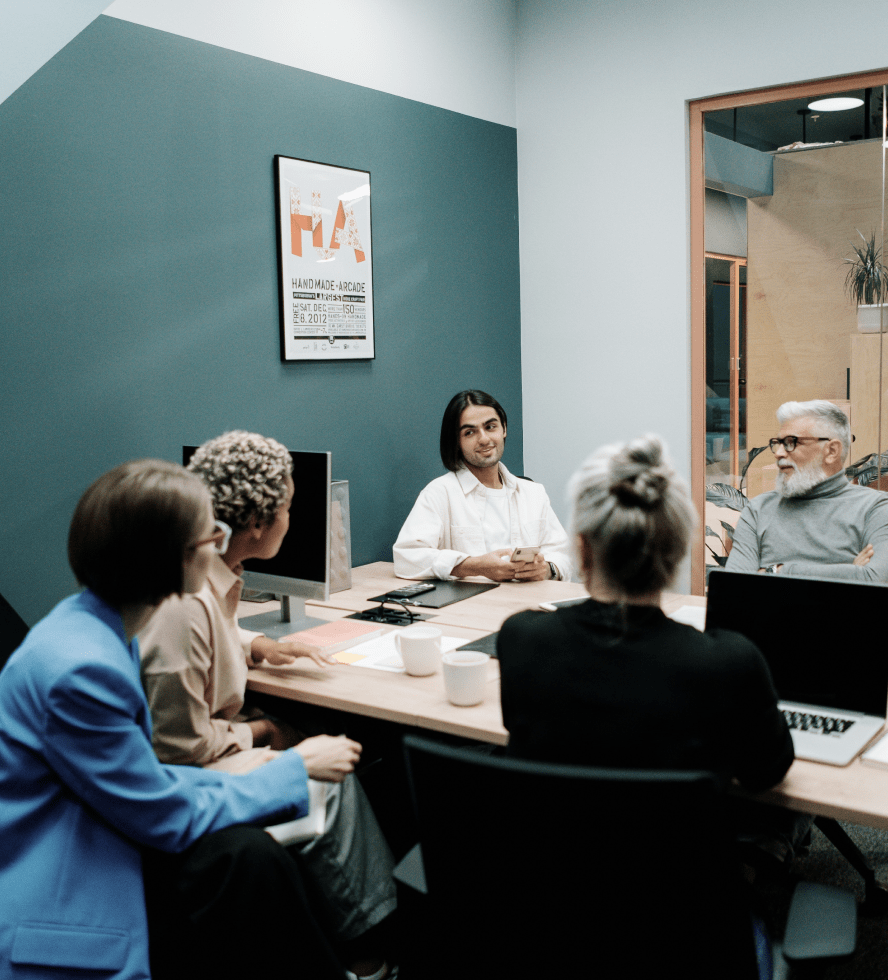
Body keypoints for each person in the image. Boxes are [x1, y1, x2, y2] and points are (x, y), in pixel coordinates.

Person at [0, 460, 357, 980]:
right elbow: (163, 814)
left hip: (99, 826)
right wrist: (293, 767)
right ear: (171, 558)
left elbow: (143, 779)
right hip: (67, 883)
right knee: (250, 861)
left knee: (249, 861)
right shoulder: (82, 672)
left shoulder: (93, 627)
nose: (220, 546)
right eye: (212, 536)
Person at [139, 432, 396, 980]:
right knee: (333, 774)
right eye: (288, 508)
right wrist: (263, 732)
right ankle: (369, 956)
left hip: (207, 748)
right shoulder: (183, 601)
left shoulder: (208, 572)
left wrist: (259, 646)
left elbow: (213, 635)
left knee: (318, 734)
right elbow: (178, 749)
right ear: (257, 523)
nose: (291, 520)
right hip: (187, 778)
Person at [498, 434, 793, 791]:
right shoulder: (731, 664)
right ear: (678, 553)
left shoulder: (522, 638)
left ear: (583, 551)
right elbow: (766, 772)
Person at [393, 389, 573, 581]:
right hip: (473, 600)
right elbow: (407, 558)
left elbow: (564, 555)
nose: (484, 439)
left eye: (490, 427)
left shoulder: (533, 493)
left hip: (529, 597)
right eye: (469, 432)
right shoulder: (439, 493)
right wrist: (473, 566)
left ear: (504, 429)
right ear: (456, 441)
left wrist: (547, 569)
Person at [726, 399, 888, 581]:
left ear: (831, 451)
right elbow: (735, 587)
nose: (779, 453)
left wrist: (777, 571)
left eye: (791, 442)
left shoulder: (876, 508)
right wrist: (850, 573)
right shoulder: (759, 510)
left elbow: (876, 580)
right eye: (778, 443)